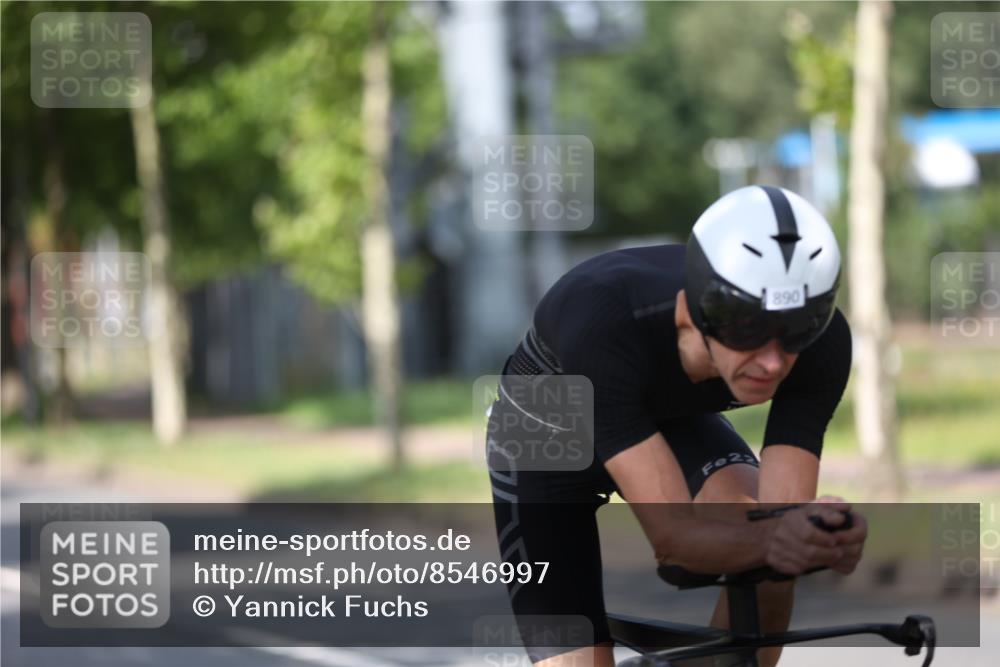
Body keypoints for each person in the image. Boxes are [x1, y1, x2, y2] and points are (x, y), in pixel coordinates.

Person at [486, 185, 869, 667]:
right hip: (543, 429)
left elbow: (782, 518)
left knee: (772, 567)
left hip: (662, 417)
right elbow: (674, 544)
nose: (773, 361)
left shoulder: (823, 344)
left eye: (798, 328)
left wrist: (818, 535)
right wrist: (778, 537)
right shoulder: (603, 318)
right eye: (748, 330)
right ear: (693, 312)